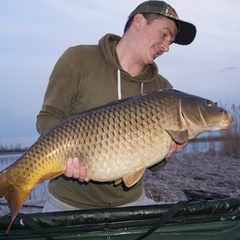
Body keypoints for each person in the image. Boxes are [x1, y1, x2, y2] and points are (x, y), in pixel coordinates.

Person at [36, 1, 196, 212]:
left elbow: (156, 166)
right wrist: (66, 158)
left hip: (131, 203)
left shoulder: (163, 91)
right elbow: (48, 117)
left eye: (171, 41)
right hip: (68, 205)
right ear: (139, 22)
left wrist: (168, 150)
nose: (166, 47)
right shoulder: (78, 60)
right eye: (164, 34)